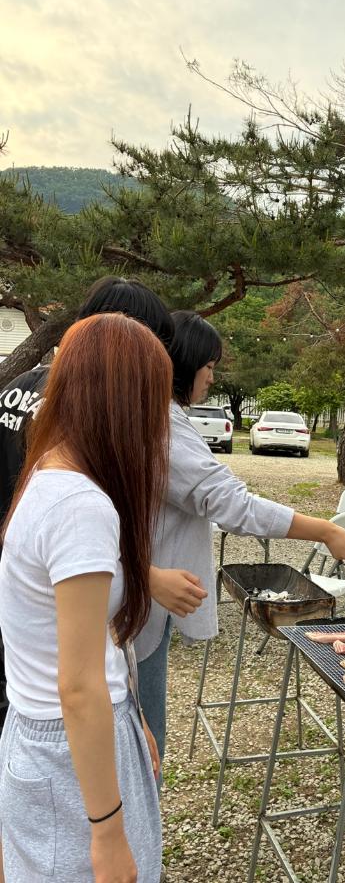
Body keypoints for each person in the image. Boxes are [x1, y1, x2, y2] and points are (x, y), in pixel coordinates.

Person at [135, 310, 345, 765]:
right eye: (209, 366)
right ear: (185, 364)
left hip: (144, 594)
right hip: (140, 606)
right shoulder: (164, 425)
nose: (212, 378)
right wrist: (325, 529)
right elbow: (233, 504)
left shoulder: (155, 416)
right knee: (143, 747)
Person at [0, 313, 171, 881]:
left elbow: (86, 638)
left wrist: (131, 716)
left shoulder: (48, 471)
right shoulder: (80, 506)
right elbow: (77, 687)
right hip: (67, 752)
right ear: (125, 405)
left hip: (48, 736)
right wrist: (109, 833)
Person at [0, 277, 206, 735]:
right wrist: (145, 575)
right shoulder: (86, 422)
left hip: (17, 589)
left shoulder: (21, 385)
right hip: (47, 602)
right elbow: (71, 532)